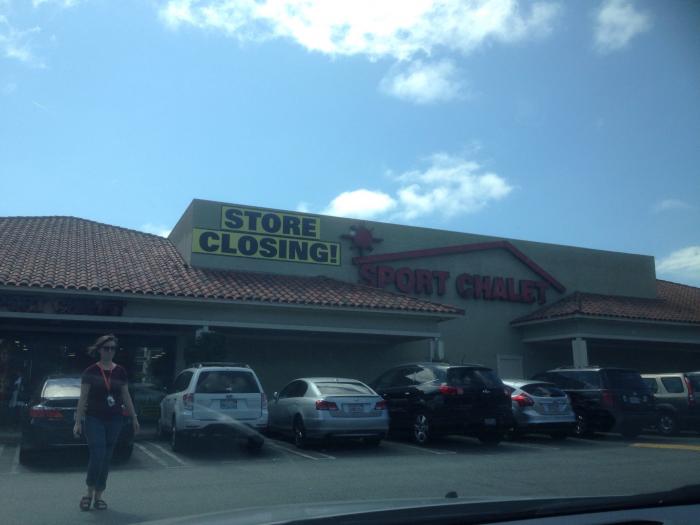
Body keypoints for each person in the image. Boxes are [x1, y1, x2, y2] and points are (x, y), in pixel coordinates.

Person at [73, 334, 140, 511]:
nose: (110, 351)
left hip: (115, 419)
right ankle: (88, 492)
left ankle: (99, 495)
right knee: (98, 455)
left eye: (113, 348)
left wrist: (134, 417)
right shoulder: (90, 371)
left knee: (107, 457)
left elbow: (126, 396)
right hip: (94, 419)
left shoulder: (120, 371)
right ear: (99, 350)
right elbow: (83, 398)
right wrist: (78, 422)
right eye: (106, 348)